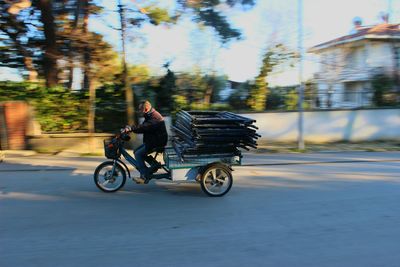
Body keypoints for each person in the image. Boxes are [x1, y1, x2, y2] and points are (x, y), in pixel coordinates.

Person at [124, 100, 168, 184]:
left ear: (146, 108)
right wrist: (131, 128)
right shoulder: (150, 114)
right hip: (153, 140)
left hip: (157, 142)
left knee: (138, 154)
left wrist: (131, 129)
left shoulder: (154, 117)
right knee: (136, 151)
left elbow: (144, 127)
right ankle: (154, 165)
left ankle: (144, 176)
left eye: (141, 109)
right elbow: (143, 126)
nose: (140, 111)